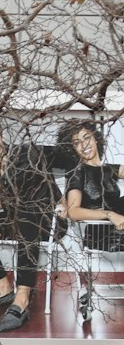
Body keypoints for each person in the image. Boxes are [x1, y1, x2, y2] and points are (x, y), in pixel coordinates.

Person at [0, 120, 61, 334]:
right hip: (16, 217)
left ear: (1, 134)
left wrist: (72, 199)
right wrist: (3, 201)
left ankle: (22, 298)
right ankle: (4, 288)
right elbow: (7, 184)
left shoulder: (30, 154)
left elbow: (73, 158)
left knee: (24, 213)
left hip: (49, 221)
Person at [58, 117, 124, 319]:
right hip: (100, 232)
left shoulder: (107, 169)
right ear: (72, 149)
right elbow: (73, 211)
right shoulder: (77, 172)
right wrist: (109, 214)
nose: (84, 145)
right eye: (77, 142)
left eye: (87, 138)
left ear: (96, 139)